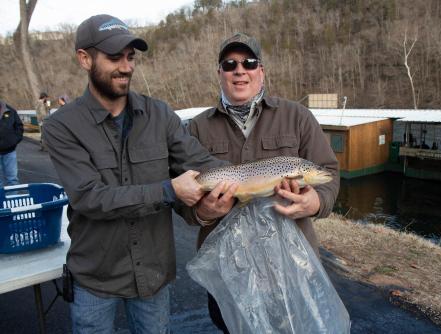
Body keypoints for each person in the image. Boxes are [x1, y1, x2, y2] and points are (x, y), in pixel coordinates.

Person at [43, 14, 236, 334]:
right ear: (84, 58)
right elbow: (90, 197)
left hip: (152, 276)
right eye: (114, 57)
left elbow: (199, 162)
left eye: (131, 57)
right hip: (95, 278)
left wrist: (259, 178)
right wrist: (168, 191)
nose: (126, 66)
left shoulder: (160, 114)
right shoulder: (61, 127)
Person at [188, 32, 340, 333]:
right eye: (230, 64)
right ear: (220, 73)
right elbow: (184, 197)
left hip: (291, 266)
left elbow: (329, 175)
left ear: (261, 70)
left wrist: (315, 202)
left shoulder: (298, 116)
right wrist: (202, 212)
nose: (239, 70)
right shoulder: (196, 128)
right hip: (226, 267)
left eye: (249, 62)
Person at [0, 100, 23, 187]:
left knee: (12, 179)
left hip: (10, 152)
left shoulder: (10, 110)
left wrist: (14, 141)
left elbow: (19, 126)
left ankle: (12, 199)